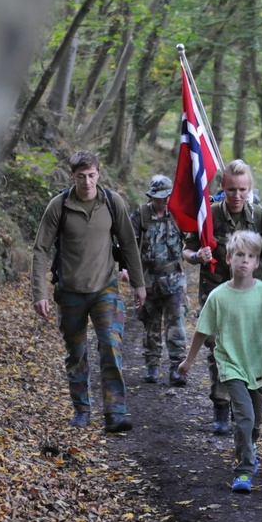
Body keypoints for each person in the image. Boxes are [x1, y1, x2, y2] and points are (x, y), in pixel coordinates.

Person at [31, 150, 146, 433]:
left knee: (110, 344)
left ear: (99, 173)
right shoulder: (59, 206)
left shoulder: (112, 202)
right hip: (70, 291)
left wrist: (138, 284)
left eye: (91, 175)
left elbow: (129, 245)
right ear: (72, 176)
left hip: (105, 288)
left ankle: (115, 412)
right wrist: (40, 293)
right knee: (76, 352)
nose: (87, 182)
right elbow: (41, 249)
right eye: (81, 176)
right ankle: (82, 408)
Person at [177, 230, 262, 493]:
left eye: (251, 256)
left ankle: (249, 446)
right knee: (244, 418)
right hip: (230, 364)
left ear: (258, 262)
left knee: (255, 423)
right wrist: (188, 362)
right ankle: (244, 471)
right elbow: (203, 330)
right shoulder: (218, 296)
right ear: (228, 259)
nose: (245, 261)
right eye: (239, 255)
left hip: (256, 365)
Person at [182, 159, 262, 435]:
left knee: (250, 348)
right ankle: (220, 405)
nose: (237, 195)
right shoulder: (208, 215)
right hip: (218, 291)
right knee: (218, 348)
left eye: (242, 190)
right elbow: (187, 251)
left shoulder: (260, 216)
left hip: (253, 296)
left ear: (249, 189)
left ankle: (250, 405)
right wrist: (196, 256)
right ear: (222, 188)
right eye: (231, 190)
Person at [131, 174, 188, 386]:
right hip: (149, 278)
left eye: (167, 196)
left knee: (177, 325)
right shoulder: (141, 216)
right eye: (160, 197)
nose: (164, 201)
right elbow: (128, 244)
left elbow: (190, 240)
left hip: (174, 279)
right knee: (151, 324)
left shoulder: (179, 215)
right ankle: (152, 365)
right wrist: (130, 272)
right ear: (151, 196)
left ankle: (177, 368)